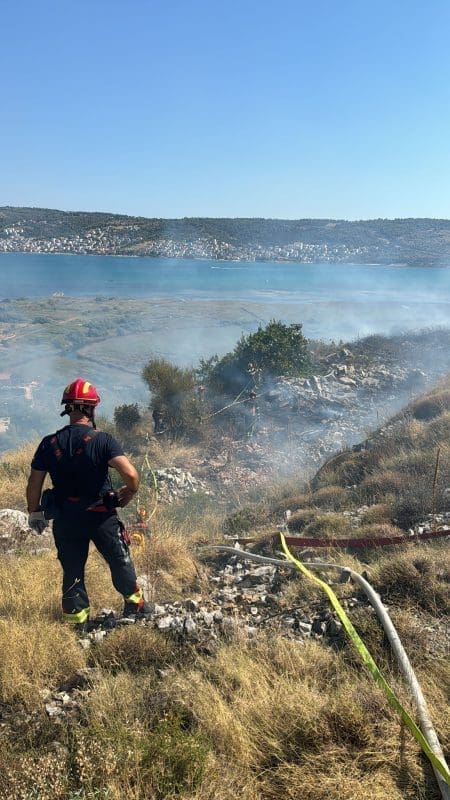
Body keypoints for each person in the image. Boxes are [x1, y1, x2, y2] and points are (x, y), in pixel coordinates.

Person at [26, 378, 152, 629]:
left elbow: (34, 484)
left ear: (68, 408)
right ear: (91, 409)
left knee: (72, 569)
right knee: (119, 559)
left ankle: (78, 623)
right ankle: (135, 606)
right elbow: (131, 475)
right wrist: (130, 491)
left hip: (66, 519)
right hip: (101, 516)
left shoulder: (49, 444)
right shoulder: (103, 440)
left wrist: (34, 512)